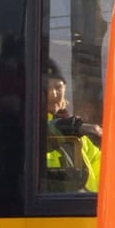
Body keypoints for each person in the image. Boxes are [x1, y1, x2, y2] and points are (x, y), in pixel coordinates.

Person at [44, 61, 103, 193]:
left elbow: (104, 170)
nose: (53, 94)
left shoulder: (82, 136)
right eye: (46, 88)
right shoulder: (28, 128)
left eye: (58, 87)